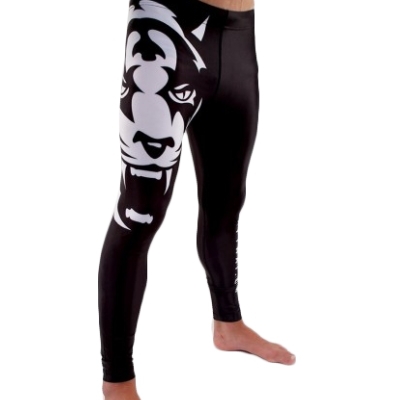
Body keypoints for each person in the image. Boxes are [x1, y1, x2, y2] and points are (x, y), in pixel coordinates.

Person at [98, 0, 295, 398]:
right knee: (140, 214)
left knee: (226, 200)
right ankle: (117, 380)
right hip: (164, 26)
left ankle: (228, 324)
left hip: (239, 36)